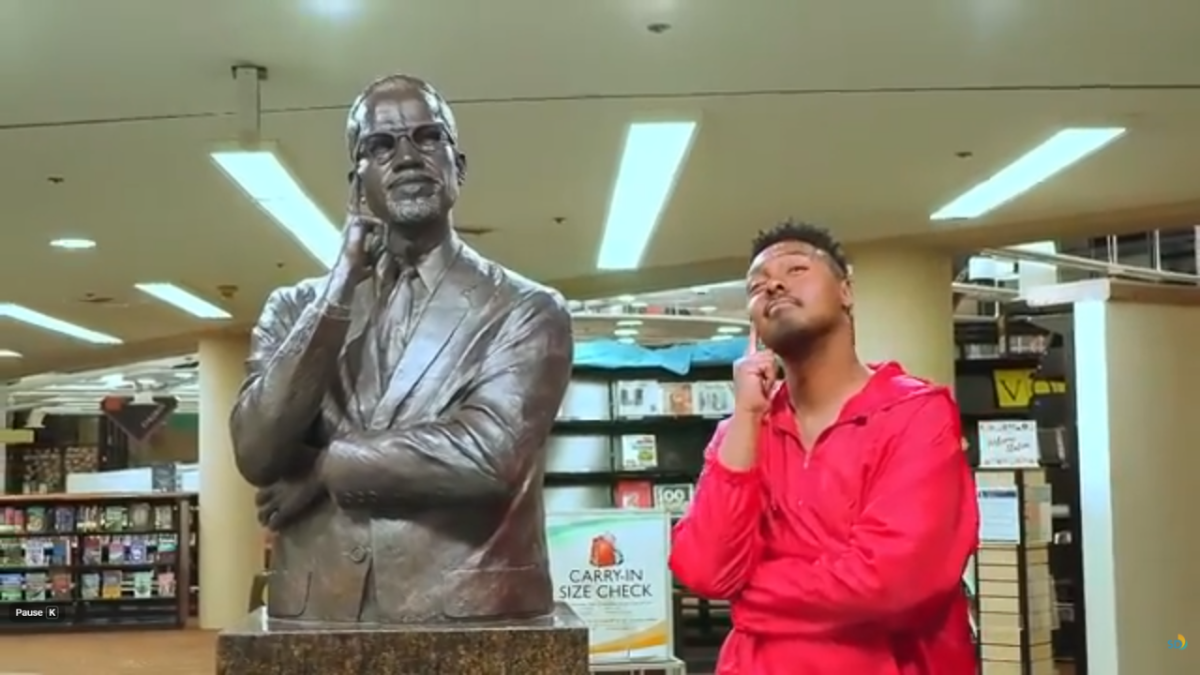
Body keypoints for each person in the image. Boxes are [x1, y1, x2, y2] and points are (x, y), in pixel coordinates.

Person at [229, 74, 574, 624]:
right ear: (355, 183)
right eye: (380, 145)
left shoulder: (528, 308)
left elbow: (486, 454)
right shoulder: (295, 309)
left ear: (457, 167)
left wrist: (323, 470)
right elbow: (257, 450)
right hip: (318, 609)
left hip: (472, 609)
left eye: (428, 137)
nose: (408, 156)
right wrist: (338, 289)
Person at [669, 221, 978, 674]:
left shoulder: (916, 412)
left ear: (846, 291)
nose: (773, 284)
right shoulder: (743, 430)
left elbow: (894, 582)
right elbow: (703, 569)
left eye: (796, 269)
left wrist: (749, 593)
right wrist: (747, 417)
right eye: (756, 286)